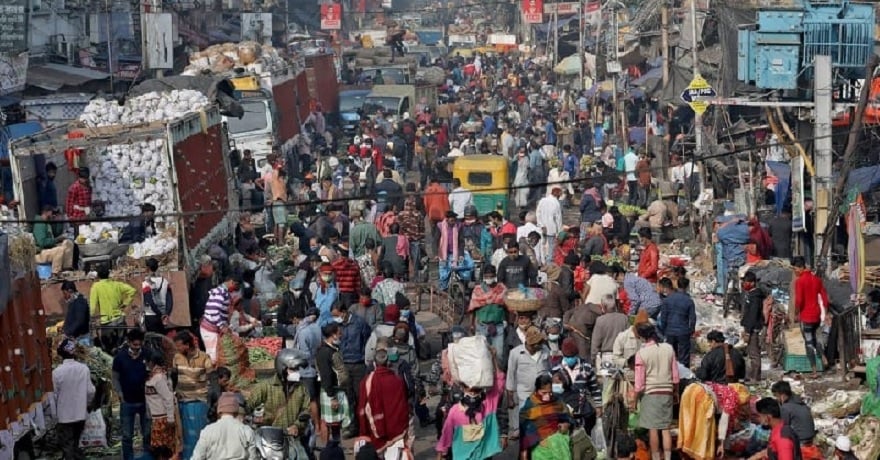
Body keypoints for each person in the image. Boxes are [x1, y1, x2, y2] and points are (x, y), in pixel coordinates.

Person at [436, 350, 507, 460]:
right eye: (470, 390)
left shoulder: (488, 406)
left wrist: (493, 359)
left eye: (476, 390)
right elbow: (447, 433)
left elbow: (499, 381)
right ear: (463, 389)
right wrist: (441, 453)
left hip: (484, 456)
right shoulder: (455, 411)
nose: (473, 393)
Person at [634, 323, 679, 460]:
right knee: (666, 428)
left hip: (651, 393)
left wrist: (634, 400)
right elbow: (675, 376)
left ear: (642, 337)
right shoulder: (668, 348)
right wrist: (675, 392)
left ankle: (655, 457)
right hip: (667, 392)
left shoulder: (641, 353)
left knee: (653, 429)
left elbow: (639, 383)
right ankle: (667, 457)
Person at [358, 340, 411, 456]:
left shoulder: (366, 382)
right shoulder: (397, 381)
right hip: (396, 430)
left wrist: (364, 429)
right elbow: (403, 405)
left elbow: (362, 407)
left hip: (374, 431)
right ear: (388, 363)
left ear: (375, 364)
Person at [247, 349, 311, 437]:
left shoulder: (301, 387)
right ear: (282, 369)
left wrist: (297, 425)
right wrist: (253, 419)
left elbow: (306, 409)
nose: (297, 372)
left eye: (297, 369)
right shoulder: (266, 386)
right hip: (270, 436)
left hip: (294, 437)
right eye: (293, 369)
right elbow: (247, 405)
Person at [331, 302, 372, 437]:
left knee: (361, 397)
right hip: (345, 365)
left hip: (359, 364)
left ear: (343, 312)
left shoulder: (359, 323)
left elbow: (367, 340)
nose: (335, 318)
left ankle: (364, 427)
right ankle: (353, 426)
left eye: (337, 315)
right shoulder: (339, 326)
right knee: (349, 398)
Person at [173, 330, 214, 459]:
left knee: (197, 435)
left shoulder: (204, 357)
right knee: (183, 435)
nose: (177, 348)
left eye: (179, 345)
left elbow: (212, 377)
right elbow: (173, 377)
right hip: (181, 401)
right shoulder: (177, 357)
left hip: (198, 401)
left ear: (187, 345)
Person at [53, 338, 95, 460]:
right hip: (80, 415)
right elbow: (91, 391)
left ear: (61, 354)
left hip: (64, 417)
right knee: (75, 444)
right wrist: (86, 404)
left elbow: (54, 396)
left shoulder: (56, 372)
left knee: (68, 447)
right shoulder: (84, 369)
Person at [111, 329, 150, 460]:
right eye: (134, 346)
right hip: (127, 401)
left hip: (145, 401)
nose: (136, 349)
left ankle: (147, 457)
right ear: (128, 343)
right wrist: (120, 393)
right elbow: (115, 378)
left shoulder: (147, 355)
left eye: (139, 346)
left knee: (147, 433)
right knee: (127, 435)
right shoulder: (120, 357)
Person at [506, 326, 551, 438]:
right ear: (530, 344)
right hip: (524, 394)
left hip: (542, 394)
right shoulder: (515, 353)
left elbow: (549, 369)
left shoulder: (545, 350)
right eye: (537, 343)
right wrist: (510, 397)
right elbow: (510, 375)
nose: (539, 345)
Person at [518, 373, 572, 460]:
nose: (547, 396)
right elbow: (524, 432)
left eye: (550, 393)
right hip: (539, 448)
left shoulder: (557, 400)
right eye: (544, 393)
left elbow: (568, 417)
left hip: (560, 445)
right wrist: (524, 453)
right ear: (537, 390)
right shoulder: (530, 405)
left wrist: (566, 424)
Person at [792, 256, 830, 376]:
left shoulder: (800, 281)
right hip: (817, 315)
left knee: (808, 342)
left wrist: (796, 313)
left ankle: (814, 370)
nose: (794, 271)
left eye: (795, 269)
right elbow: (824, 297)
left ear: (800, 268)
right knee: (816, 338)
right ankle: (823, 356)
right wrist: (826, 311)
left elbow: (799, 300)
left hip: (806, 316)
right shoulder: (816, 279)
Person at [191, 393, 259, 460]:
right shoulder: (246, 430)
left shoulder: (208, 431)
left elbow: (197, 457)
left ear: (219, 411)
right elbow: (252, 457)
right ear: (236, 411)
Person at [557, 338, 602, 433]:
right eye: (567, 356)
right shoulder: (556, 370)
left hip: (582, 410)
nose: (570, 359)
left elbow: (594, 389)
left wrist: (598, 406)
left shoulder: (586, 368)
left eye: (572, 356)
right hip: (563, 411)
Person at [316, 323, 352, 442]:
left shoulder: (332, 349)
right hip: (330, 391)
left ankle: (335, 445)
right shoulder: (324, 352)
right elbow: (326, 375)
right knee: (327, 421)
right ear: (333, 335)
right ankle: (326, 449)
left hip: (336, 389)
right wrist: (332, 397)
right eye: (339, 333)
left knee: (336, 422)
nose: (341, 335)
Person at [144, 351, 179, 460]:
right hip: (157, 418)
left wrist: (170, 418)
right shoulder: (154, 376)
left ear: (152, 362)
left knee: (163, 449)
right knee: (160, 448)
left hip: (163, 419)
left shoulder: (159, 378)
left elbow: (168, 398)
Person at [468, 264, 508, 354]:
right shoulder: (478, 290)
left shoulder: (502, 289)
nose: (489, 278)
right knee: (482, 354)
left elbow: (507, 307)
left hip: (498, 326)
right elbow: (472, 308)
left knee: (499, 354)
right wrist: (471, 324)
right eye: (487, 276)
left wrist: (509, 323)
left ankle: (498, 368)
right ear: (483, 277)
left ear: (495, 276)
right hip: (482, 326)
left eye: (491, 276)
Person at [200, 275, 241, 361]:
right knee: (213, 357)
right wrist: (221, 326)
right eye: (236, 286)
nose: (235, 289)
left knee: (216, 354)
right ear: (232, 282)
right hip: (209, 329)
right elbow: (213, 310)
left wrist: (225, 326)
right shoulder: (221, 292)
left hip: (213, 328)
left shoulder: (223, 292)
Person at [90, 266, 137, 340]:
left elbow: (92, 307)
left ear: (98, 275)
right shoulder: (117, 284)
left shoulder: (96, 287)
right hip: (120, 319)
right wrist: (125, 303)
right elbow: (132, 290)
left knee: (109, 348)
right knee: (122, 345)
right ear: (108, 274)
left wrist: (90, 319)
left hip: (107, 322)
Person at [657, 277, 696, 366]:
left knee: (671, 355)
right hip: (683, 331)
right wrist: (691, 330)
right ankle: (684, 374)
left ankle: (672, 373)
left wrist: (664, 330)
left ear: (677, 285)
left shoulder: (667, 300)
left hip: (670, 331)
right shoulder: (689, 301)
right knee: (684, 356)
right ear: (687, 287)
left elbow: (663, 317)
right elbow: (692, 318)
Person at [771, 381, 815, 450]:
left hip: (801, 441)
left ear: (782, 395)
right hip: (811, 437)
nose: (777, 399)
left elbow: (784, 426)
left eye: (777, 396)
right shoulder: (798, 401)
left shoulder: (786, 407)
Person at [33, 205, 74, 276]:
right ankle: (55, 273)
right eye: (52, 213)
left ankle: (66, 269)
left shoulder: (47, 223)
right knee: (59, 250)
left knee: (68, 243)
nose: (53, 215)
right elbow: (42, 243)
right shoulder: (39, 223)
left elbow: (56, 233)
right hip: (40, 252)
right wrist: (57, 239)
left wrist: (58, 221)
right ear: (46, 212)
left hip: (49, 248)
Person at [741, 270, 766, 382]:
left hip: (753, 329)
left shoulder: (755, 297)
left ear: (752, 283)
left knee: (754, 353)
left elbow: (752, 315)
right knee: (751, 353)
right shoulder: (751, 294)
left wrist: (748, 330)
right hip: (751, 327)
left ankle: (755, 377)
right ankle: (752, 375)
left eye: (746, 282)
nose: (744, 284)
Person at [591, 295, 630, 366]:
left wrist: (593, 359)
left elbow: (595, 342)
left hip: (607, 357)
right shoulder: (624, 318)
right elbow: (629, 337)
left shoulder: (600, 320)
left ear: (604, 307)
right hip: (622, 356)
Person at [143, 257, 173, 334]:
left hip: (151, 316)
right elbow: (170, 300)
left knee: (152, 340)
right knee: (162, 339)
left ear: (148, 268)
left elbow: (149, 300)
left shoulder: (146, 283)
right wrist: (166, 313)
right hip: (163, 316)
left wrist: (159, 313)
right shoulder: (165, 281)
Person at [536, 186, 564, 265]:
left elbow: (538, 213)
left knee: (542, 244)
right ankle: (549, 262)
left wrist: (541, 225)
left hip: (542, 228)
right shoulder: (556, 203)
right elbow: (558, 219)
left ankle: (541, 261)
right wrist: (560, 232)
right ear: (557, 194)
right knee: (551, 246)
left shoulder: (542, 200)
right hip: (551, 228)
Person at [438, 211, 462, 291]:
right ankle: (443, 289)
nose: (453, 222)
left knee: (455, 269)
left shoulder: (458, 226)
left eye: (454, 220)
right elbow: (435, 240)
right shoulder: (440, 226)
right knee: (443, 272)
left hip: (454, 253)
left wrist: (461, 254)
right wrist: (436, 253)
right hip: (442, 254)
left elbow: (461, 241)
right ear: (447, 220)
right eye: (451, 221)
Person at [61, 281, 91, 346]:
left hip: (82, 339)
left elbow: (80, 321)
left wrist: (67, 332)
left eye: (64, 293)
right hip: (76, 338)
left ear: (70, 291)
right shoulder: (73, 301)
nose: (64, 296)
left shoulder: (80, 301)